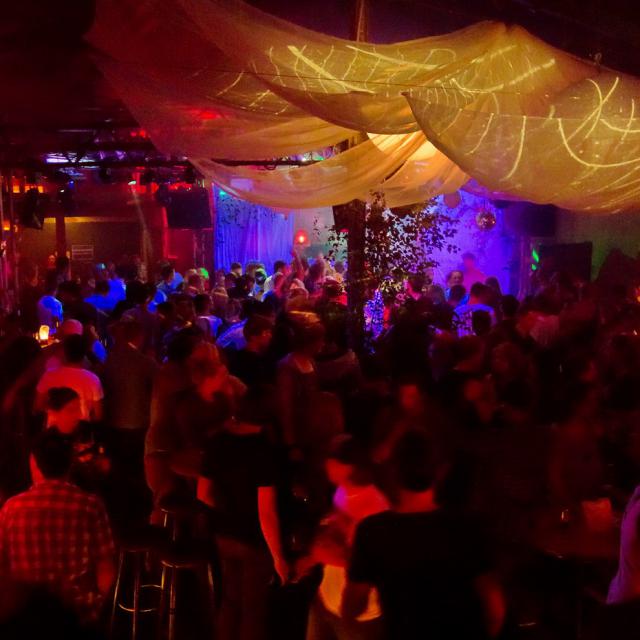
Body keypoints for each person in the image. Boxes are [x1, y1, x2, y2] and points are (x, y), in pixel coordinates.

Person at [342, 430, 505, 639]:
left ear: (393, 470)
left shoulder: (372, 531)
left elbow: (352, 607)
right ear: (441, 472)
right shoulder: (466, 527)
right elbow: (494, 605)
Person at [0, 430, 115, 626]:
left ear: (34, 464)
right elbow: (106, 569)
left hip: (25, 618)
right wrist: (104, 613)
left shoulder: (11, 509)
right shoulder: (91, 506)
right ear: (70, 464)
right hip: (77, 615)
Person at [197, 392, 287, 640]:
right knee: (253, 611)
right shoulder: (263, 452)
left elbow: (203, 494)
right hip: (253, 541)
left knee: (229, 601)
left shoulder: (217, 442)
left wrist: (228, 511)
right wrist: (279, 558)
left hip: (224, 534)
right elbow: (266, 513)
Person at [305, 435, 389, 640]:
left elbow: (370, 564)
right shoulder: (342, 491)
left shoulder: (375, 506)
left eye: (334, 460)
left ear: (350, 466)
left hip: (358, 615)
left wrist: (321, 554)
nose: (327, 465)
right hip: (326, 600)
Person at [36, 335, 104, 422]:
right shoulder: (93, 379)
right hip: (81, 428)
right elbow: (98, 415)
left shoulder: (48, 375)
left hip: (54, 427)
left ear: (64, 352)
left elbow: (38, 406)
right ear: (84, 355)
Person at [227, 314, 274, 389]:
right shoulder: (250, 363)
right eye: (266, 332)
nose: (270, 336)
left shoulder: (237, 357)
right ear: (253, 336)